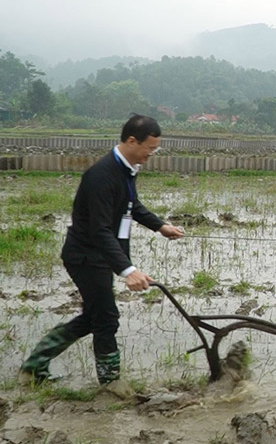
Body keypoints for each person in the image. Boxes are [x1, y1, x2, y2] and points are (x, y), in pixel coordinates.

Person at [19, 114, 184, 397]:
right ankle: (110, 380)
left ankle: (34, 365)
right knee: (106, 317)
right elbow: (100, 231)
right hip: (85, 255)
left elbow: (132, 206)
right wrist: (127, 270)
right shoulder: (101, 175)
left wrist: (161, 226)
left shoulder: (126, 170)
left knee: (95, 315)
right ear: (132, 141)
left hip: (99, 255)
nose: (151, 154)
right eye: (150, 148)